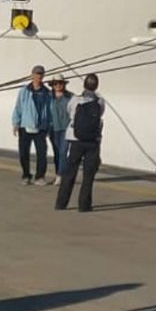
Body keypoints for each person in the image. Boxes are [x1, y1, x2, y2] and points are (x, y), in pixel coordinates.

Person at [55, 74, 104, 212]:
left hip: (76, 139)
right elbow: (100, 114)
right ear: (96, 86)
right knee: (88, 175)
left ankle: (61, 203)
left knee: (70, 172)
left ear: (84, 85)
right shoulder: (100, 101)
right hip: (93, 141)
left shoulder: (75, 99)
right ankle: (84, 205)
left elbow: (70, 112)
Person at [10, 64, 52, 185]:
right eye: (37, 74)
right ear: (32, 75)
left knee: (42, 153)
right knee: (23, 152)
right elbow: (18, 107)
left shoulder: (47, 93)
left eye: (41, 74)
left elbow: (49, 110)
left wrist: (49, 126)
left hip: (41, 127)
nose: (39, 76)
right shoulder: (24, 91)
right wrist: (15, 123)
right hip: (25, 125)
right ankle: (26, 175)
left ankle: (40, 176)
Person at [48, 76, 72, 184]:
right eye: (56, 83)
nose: (58, 85)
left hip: (66, 128)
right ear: (52, 85)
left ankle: (60, 175)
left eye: (60, 83)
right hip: (53, 128)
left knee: (63, 152)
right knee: (57, 152)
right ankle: (59, 172)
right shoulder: (48, 97)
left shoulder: (70, 97)